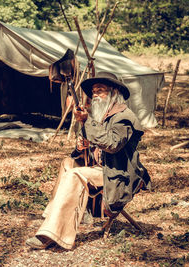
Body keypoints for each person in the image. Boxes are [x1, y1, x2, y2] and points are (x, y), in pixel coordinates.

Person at [26, 71, 151, 250]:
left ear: (114, 92)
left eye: (100, 90)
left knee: (75, 175)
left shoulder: (125, 118)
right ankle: (53, 215)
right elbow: (84, 150)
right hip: (98, 168)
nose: (95, 95)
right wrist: (81, 146)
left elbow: (112, 144)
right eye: (93, 92)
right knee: (67, 164)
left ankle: (52, 234)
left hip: (117, 173)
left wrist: (87, 122)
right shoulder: (99, 115)